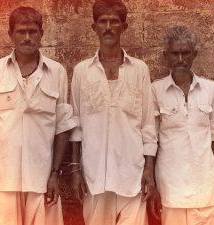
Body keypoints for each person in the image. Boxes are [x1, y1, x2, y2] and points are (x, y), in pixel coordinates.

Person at [0, 6, 76, 225]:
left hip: (41, 178)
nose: (27, 38)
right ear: (11, 34)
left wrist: (55, 174)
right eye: (21, 31)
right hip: (4, 177)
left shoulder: (56, 72)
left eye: (32, 31)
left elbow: (63, 127)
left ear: (41, 33)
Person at [69, 0, 158, 224]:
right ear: (94, 27)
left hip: (133, 174)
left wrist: (149, 170)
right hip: (94, 175)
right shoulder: (82, 72)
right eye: (103, 22)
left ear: (124, 27)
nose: (108, 27)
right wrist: (75, 171)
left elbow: (148, 124)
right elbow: (76, 125)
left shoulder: (139, 70)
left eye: (114, 22)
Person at [151, 26, 214, 225]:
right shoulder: (156, 90)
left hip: (206, 187)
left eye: (185, 53)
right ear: (165, 56)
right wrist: (151, 185)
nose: (180, 59)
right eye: (174, 53)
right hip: (171, 189)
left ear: (194, 55)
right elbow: (150, 139)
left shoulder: (210, 89)